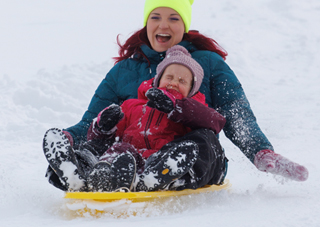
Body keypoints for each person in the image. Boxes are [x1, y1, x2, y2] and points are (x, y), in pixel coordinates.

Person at [43, 0, 308, 193]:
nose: (163, 24)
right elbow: (92, 120)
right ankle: (77, 171)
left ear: (185, 25)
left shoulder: (208, 63)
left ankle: (170, 175)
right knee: (103, 138)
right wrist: (69, 139)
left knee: (202, 138)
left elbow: (234, 111)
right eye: (156, 16)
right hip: (133, 156)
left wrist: (260, 150)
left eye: (174, 18)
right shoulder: (124, 70)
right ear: (147, 22)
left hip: (191, 158)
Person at [43, 45, 227, 192]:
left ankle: (157, 179)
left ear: (192, 90)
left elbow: (215, 122)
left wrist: (176, 108)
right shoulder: (134, 105)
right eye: (169, 77)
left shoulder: (192, 109)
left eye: (182, 81)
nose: (173, 83)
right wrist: (102, 126)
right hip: (128, 162)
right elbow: (102, 137)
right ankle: (80, 171)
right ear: (157, 80)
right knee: (107, 145)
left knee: (203, 141)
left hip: (160, 162)